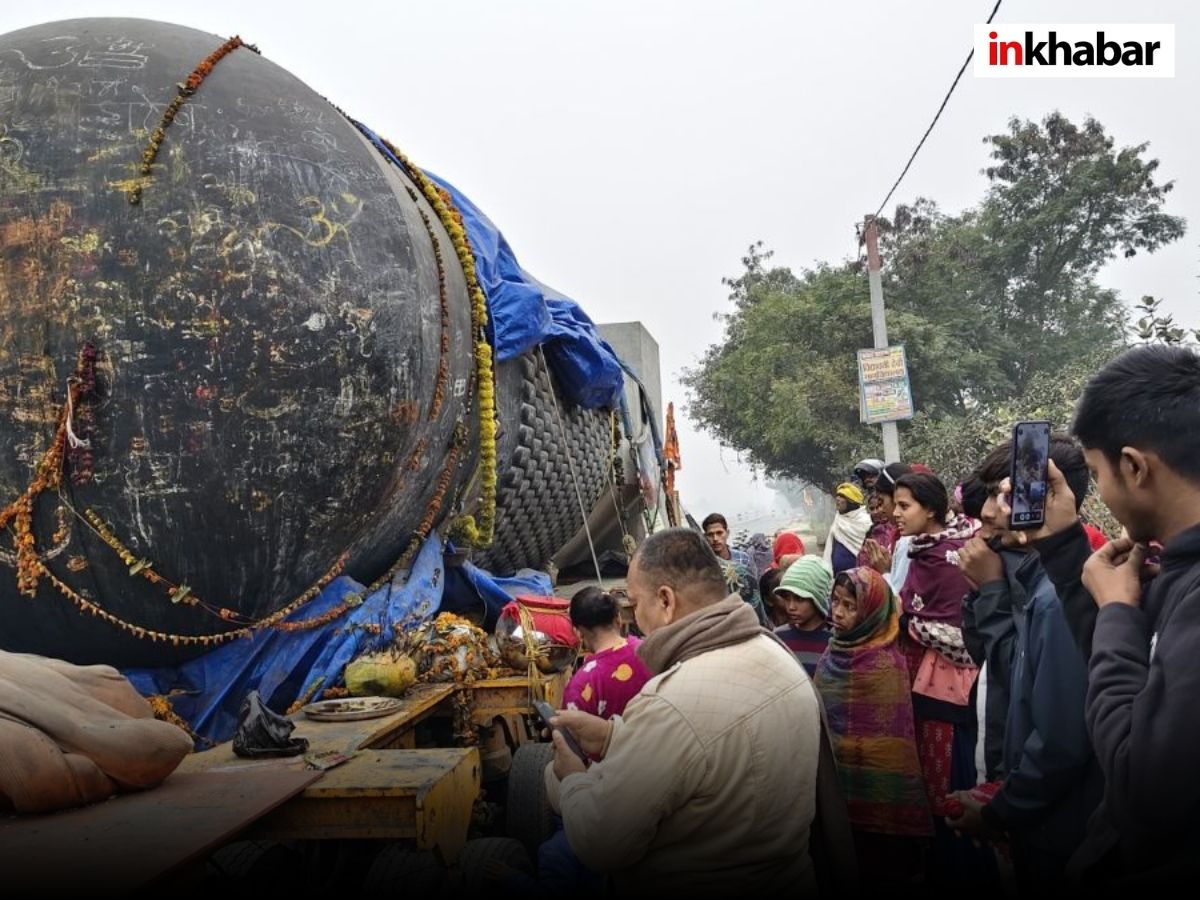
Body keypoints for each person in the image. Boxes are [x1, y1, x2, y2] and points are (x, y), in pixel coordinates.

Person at [999, 345, 1200, 884]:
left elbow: (1144, 784)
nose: (1099, 493)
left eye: (1096, 472)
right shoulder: (1172, 566)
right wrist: (1065, 549)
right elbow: (1124, 679)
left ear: (1134, 467)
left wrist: (1115, 611)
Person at [544, 528, 822, 895]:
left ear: (665, 601)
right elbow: (711, 755)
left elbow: (602, 843)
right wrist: (613, 736)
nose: (634, 619)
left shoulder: (671, 701)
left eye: (635, 603)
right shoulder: (778, 657)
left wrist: (573, 780)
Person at [951, 439, 1103, 889]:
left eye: (1005, 495)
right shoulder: (1023, 572)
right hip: (1034, 809)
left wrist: (1004, 809)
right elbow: (1005, 673)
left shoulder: (1056, 596)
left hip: (1058, 827)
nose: (987, 513)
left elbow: (1061, 738)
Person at [892, 472, 988, 882]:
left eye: (904, 506)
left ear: (930, 509)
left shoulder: (951, 559)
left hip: (951, 696)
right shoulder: (919, 552)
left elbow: (965, 641)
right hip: (924, 686)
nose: (895, 514)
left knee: (952, 782)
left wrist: (909, 624)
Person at [814, 567, 932, 881]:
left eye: (849, 606)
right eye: (835, 601)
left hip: (882, 791)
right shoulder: (833, 651)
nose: (837, 612)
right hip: (839, 784)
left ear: (871, 612)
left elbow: (894, 737)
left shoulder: (886, 663)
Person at [563, 586, 653, 724]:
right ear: (618, 619)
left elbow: (571, 736)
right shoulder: (651, 653)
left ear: (578, 632)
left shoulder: (581, 685)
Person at [773, 556, 835, 676]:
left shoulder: (834, 639)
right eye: (787, 598)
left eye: (799, 599)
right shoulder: (778, 637)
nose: (791, 607)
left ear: (818, 599)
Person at [702, 513, 767, 625]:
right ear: (705, 536)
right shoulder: (705, 564)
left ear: (727, 533)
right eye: (710, 535)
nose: (715, 539)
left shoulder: (744, 558)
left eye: (719, 533)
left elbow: (754, 588)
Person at [861, 462, 913, 591]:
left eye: (882, 501)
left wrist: (884, 571)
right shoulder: (898, 538)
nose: (881, 509)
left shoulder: (908, 542)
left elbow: (898, 601)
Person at [824, 483, 872, 575]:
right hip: (838, 578)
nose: (837, 499)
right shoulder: (838, 520)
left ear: (851, 501)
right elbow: (831, 547)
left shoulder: (866, 522)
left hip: (861, 577)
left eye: (842, 496)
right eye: (837, 496)